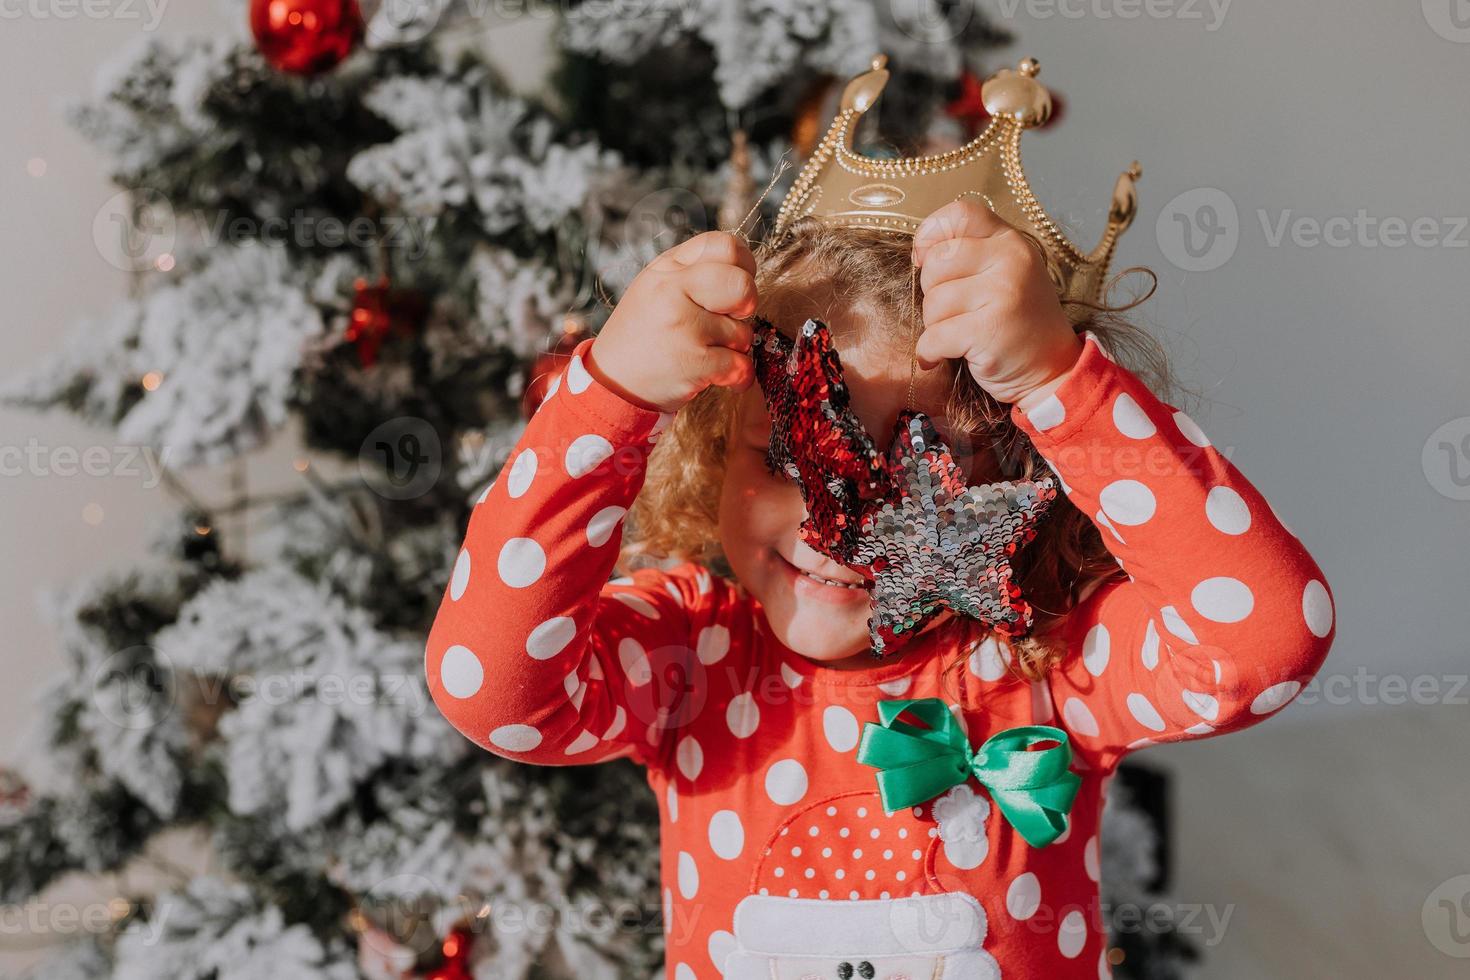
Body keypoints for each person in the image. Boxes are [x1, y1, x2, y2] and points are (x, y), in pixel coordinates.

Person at [424, 199, 1335, 978]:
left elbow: (1266, 641)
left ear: (1016, 479)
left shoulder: (1044, 656)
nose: (836, 528)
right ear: (712, 445)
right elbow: (491, 690)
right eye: (790, 458)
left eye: (917, 464)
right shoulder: (691, 654)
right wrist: (608, 397)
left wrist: (1060, 385)